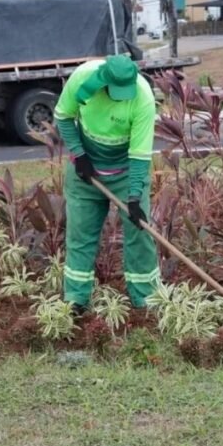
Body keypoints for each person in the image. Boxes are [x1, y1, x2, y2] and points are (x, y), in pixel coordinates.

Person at [54, 55, 159, 315]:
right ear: (104, 83)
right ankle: (76, 299)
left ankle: (145, 300)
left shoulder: (143, 97)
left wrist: (134, 197)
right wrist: (79, 155)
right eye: (117, 92)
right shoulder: (82, 79)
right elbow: (63, 116)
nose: (124, 96)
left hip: (126, 171)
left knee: (139, 234)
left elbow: (139, 155)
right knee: (81, 233)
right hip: (86, 170)